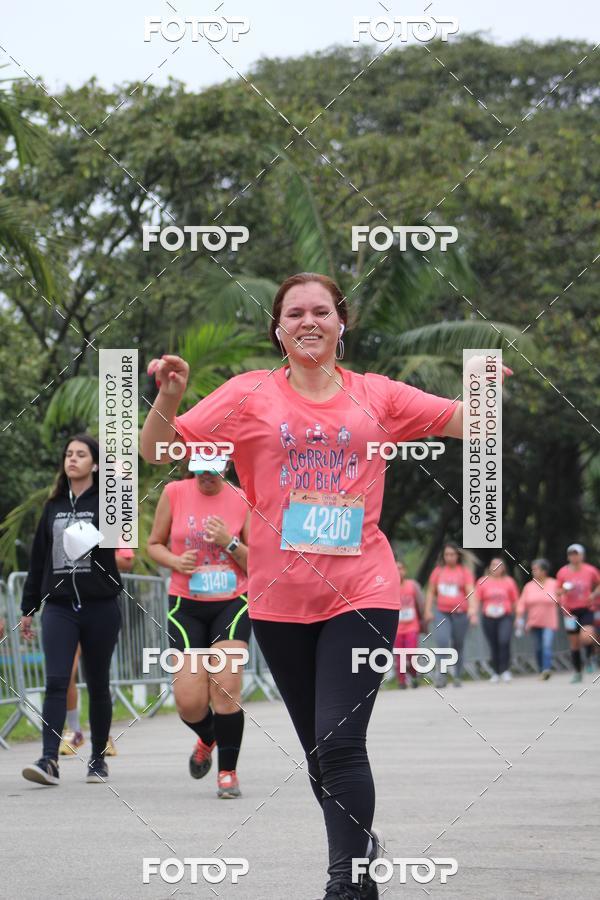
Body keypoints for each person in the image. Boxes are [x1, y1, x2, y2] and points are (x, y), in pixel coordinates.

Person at [140, 271, 477, 900]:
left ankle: (344, 883)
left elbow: (467, 422)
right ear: (278, 327)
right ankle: (362, 852)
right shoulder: (247, 396)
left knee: (339, 742)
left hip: (363, 590)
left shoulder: (377, 395)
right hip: (279, 600)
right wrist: (170, 396)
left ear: (341, 323)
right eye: (294, 313)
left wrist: (487, 389)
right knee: (319, 756)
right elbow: (157, 451)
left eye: (321, 311)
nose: (308, 322)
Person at [19, 434, 122, 785]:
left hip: (101, 605)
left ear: (95, 463)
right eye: (68, 454)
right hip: (60, 607)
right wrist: (28, 607)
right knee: (57, 681)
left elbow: (120, 540)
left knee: (98, 683)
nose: (72, 459)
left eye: (81, 454)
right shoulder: (52, 506)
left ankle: (97, 758)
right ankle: (49, 759)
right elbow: (38, 559)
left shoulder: (110, 502)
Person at [147, 450, 251, 799]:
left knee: (225, 686)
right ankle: (209, 736)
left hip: (232, 603)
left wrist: (230, 543)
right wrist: (176, 560)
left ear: (226, 466)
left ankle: (227, 772)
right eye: (200, 470)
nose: (206, 476)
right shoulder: (174, 493)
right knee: (189, 702)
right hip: (185, 605)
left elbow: (259, 562)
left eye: (213, 470)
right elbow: (153, 545)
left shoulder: (242, 498)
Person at [59, 548, 134, 756]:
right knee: (65, 672)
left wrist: (89, 556)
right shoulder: (56, 513)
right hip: (66, 604)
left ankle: (103, 735)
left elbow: (127, 561)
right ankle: (74, 730)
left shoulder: (115, 513)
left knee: (98, 678)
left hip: (100, 604)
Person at [423, 542, 476, 688]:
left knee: (458, 644)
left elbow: (470, 591)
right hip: (442, 612)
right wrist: (427, 610)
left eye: (452, 554)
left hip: (460, 613)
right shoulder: (438, 571)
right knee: (442, 641)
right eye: (446, 555)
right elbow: (430, 592)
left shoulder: (464, 572)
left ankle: (458, 675)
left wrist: (472, 609)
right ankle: (442, 675)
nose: (449, 557)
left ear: (457, 556)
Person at [555, 543, 600, 683]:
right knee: (574, 644)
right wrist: (564, 591)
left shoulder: (590, 570)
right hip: (570, 611)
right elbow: (558, 591)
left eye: (577, 554)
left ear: (582, 556)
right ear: (568, 556)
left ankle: (591, 656)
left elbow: (598, 583)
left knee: (586, 636)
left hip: (586, 608)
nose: (574, 557)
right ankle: (577, 672)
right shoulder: (563, 572)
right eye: (571, 554)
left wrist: (594, 594)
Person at [475, 557, 519, 683]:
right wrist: (473, 614)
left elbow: (515, 600)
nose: (495, 567)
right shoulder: (482, 581)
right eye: (493, 564)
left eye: (498, 565)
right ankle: (496, 671)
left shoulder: (509, 582)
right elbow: (477, 599)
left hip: (505, 616)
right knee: (493, 644)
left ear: (503, 568)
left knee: (504, 641)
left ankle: (505, 670)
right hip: (488, 617)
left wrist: (519, 617)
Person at [515, 559, 558, 680]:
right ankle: (541, 669)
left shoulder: (553, 583)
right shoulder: (529, 586)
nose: (534, 572)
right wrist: (519, 618)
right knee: (538, 648)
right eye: (533, 569)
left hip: (549, 622)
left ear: (544, 571)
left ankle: (546, 669)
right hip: (534, 622)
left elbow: (561, 598)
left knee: (547, 645)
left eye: (536, 569)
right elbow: (522, 604)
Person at [393, 559, 424, 688]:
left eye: (400, 568)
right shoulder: (389, 587)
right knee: (399, 655)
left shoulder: (412, 585)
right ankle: (401, 681)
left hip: (412, 626)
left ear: (405, 571)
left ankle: (413, 673)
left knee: (411, 653)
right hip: (396, 628)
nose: (398, 571)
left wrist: (424, 617)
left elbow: (420, 603)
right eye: (395, 568)